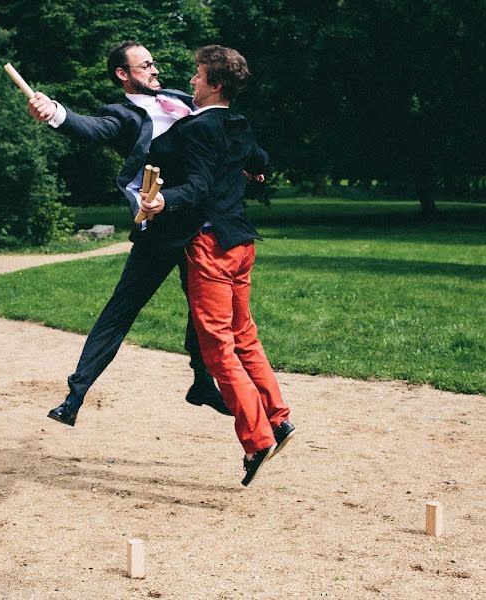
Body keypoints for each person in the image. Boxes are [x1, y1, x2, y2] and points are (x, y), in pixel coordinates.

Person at [26, 41, 231, 425]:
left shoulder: (179, 98)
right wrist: (55, 112)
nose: (155, 70)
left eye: (154, 63)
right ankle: (75, 395)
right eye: (146, 65)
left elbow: (219, 130)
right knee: (121, 311)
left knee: (203, 311)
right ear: (123, 74)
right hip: (159, 227)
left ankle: (202, 382)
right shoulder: (122, 116)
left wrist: (247, 164)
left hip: (199, 222)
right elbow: (90, 128)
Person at [138, 45, 294, 486]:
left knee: (218, 349)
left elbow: (199, 186)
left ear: (215, 84)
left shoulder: (194, 131)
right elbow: (259, 160)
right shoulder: (238, 125)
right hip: (242, 243)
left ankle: (257, 439)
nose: (191, 81)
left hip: (210, 246)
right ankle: (278, 419)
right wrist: (253, 170)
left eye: (197, 75)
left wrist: (165, 199)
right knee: (244, 337)